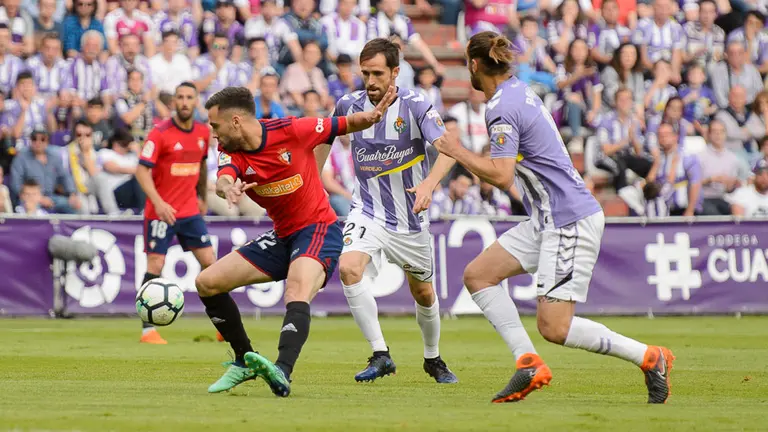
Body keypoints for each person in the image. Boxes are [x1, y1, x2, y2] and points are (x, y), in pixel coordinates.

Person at [433, 31, 674, 404]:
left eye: (468, 63)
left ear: (475, 64)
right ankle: (527, 363)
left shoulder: (500, 106)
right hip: (548, 218)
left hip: (567, 219)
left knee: (554, 327)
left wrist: (456, 150)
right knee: (479, 275)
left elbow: (500, 175)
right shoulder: (518, 89)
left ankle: (649, 357)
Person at [198, 84, 396, 397]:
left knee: (296, 289)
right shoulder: (230, 150)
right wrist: (226, 188)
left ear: (235, 121)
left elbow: (343, 124)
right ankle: (243, 360)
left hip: (318, 228)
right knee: (207, 282)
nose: (213, 133)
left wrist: (373, 115)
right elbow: (224, 177)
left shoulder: (292, 129)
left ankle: (283, 370)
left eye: (215, 125)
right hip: (283, 235)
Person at [332, 38, 458, 384]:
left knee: (424, 293)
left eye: (377, 73)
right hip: (367, 211)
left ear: (395, 72)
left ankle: (432, 358)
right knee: (348, 268)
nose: (370, 81)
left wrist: (430, 184)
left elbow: (449, 151)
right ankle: (380, 354)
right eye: (365, 73)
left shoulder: (416, 105)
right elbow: (321, 140)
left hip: (410, 219)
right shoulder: (347, 104)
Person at [135, 82, 215, 345]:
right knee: (155, 266)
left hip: (190, 211)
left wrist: (202, 197)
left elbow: (201, 167)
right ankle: (148, 331)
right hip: (161, 213)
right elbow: (141, 171)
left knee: (211, 265)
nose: (183, 101)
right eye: (179, 97)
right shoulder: (159, 133)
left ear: (196, 102)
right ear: (173, 102)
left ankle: (221, 325)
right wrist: (158, 202)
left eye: (189, 97)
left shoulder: (203, 132)